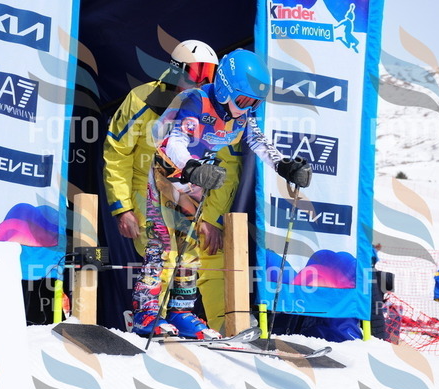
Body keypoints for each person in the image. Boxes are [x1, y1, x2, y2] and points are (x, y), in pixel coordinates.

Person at [132, 48, 312, 339]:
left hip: (195, 181)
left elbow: (258, 141)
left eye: (254, 102)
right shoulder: (196, 100)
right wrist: (191, 166)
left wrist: (283, 165)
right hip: (167, 174)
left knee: (190, 248)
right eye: (243, 100)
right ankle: (146, 312)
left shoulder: (242, 115)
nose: (246, 108)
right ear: (226, 88)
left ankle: (181, 311)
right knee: (162, 245)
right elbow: (175, 140)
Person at [103, 40, 241, 333]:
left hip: (191, 197)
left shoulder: (216, 109)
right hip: (147, 190)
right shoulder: (143, 99)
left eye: (210, 75)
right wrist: (122, 207)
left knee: (203, 256)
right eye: (196, 73)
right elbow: (117, 153)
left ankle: (211, 325)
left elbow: (227, 167)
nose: (202, 82)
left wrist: (211, 218)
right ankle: (149, 315)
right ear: (175, 70)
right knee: (163, 250)